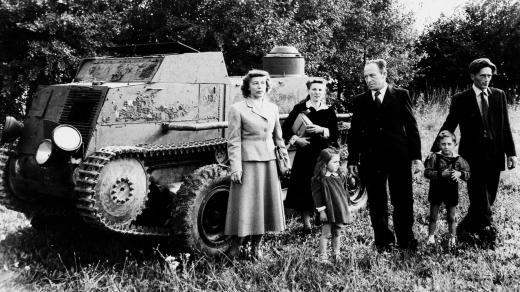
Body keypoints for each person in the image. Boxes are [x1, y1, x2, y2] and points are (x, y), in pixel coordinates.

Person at [432, 58, 517, 249]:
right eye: (482, 76)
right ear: (473, 76)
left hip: (495, 156)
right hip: (470, 158)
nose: (486, 79)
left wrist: (511, 153)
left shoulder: (499, 95)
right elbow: (449, 125)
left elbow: (505, 127)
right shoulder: (461, 99)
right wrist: (435, 151)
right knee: (479, 197)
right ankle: (488, 234)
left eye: (489, 76)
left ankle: (464, 230)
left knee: (489, 197)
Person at [347, 59, 423, 251]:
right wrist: (353, 160)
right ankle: (383, 242)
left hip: (399, 158)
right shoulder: (360, 100)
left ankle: (406, 241)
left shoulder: (400, 95)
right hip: (371, 160)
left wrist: (416, 158)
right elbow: (354, 132)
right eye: (365, 76)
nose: (368, 80)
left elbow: (411, 128)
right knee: (377, 202)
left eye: (372, 75)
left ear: (384, 74)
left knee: (403, 200)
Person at [225, 69, 287, 259]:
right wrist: (236, 166)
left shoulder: (273, 108)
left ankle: (256, 248)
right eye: (255, 83)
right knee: (243, 205)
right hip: (247, 162)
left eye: (262, 83)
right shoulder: (238, 108)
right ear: (247, 87)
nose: (260, 87)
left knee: (264, 205)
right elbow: (233, 140)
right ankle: (235, 248)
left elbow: (278, 137)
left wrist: (284, 158)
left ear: (267, 86)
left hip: (269, 162)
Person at [282, 79, 339, 232]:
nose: (317, 93)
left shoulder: (329, 110)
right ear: (308, 91)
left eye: (320, 90)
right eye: (314, 89)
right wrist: (297, 140)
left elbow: (335, 134)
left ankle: (321, 219)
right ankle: (306, 223)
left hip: (322, 154)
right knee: (304, 186)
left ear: (324, 92)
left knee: (322, 185)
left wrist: (321, 130)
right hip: (305, 154)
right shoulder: (300, 108)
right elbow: (285, 130)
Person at [424, 130, 470, 247]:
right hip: (436, 189)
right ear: (439, 145)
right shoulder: (434, 157)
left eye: (449, 144)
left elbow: (468, 173)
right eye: (443, 144)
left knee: (451, 216)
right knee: (433, 215)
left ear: (455, 144)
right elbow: (427, 172)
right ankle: (431, 237)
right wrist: (440, 174)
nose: (446, 147)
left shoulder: (459, 159)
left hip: (451, 190)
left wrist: (460, 174)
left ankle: (452, 238)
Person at [311, 147, 352, 263]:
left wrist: (347, 205)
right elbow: (317, 196)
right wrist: (322, 211)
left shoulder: (339, 176)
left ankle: (336, 254)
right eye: (334, 162)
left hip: (339, 209)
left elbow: (345, 192)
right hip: (328, 211)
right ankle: (323, 257)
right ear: (324, 163)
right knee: (326, 233)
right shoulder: (320, 179)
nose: (337, 164)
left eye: (338, 162)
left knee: (337, 233)